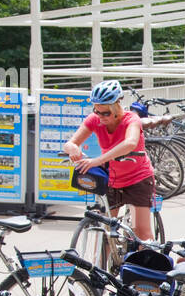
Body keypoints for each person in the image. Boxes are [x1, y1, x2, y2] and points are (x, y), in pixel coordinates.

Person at [64, 79, 158, 242]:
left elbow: (130, 143)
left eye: (106, 113)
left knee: (141, 232)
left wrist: (98, 160)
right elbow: (71, 142)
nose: (100, 117)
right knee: (106, 231)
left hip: (138, 179)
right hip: (112, 180)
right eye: (97, 111)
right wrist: (72, 147)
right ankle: (103, 266)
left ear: (117, 106)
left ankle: (146, 264)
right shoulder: (94, 120)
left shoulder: (131, 120)